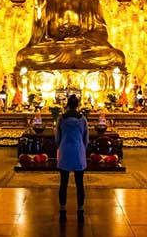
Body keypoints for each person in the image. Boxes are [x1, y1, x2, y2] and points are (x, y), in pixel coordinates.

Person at [55, 94, 88, 224]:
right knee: (80, 183)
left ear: (68, 104)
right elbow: (86, 138)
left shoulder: (61, 119)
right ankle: (80, 208)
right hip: (78, 150)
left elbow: (57, 137)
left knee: (63, 182)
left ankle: (63, 208)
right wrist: (82, 147)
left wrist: (61, 146)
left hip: (65, 150)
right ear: (78, 105)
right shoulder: (83, 119)